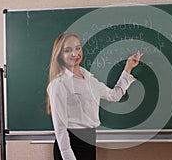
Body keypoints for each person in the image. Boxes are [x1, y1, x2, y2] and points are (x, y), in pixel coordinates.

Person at [46, 31, 143, 160]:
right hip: (70, 144)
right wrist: (68, 156)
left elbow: (114, 95)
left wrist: (128, 68)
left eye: (78, 48)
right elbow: (60, 128)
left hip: (89, 140)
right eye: (68, 50)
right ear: (60, 55)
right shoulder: (59, 84)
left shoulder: (89, 79)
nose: (75, 53)